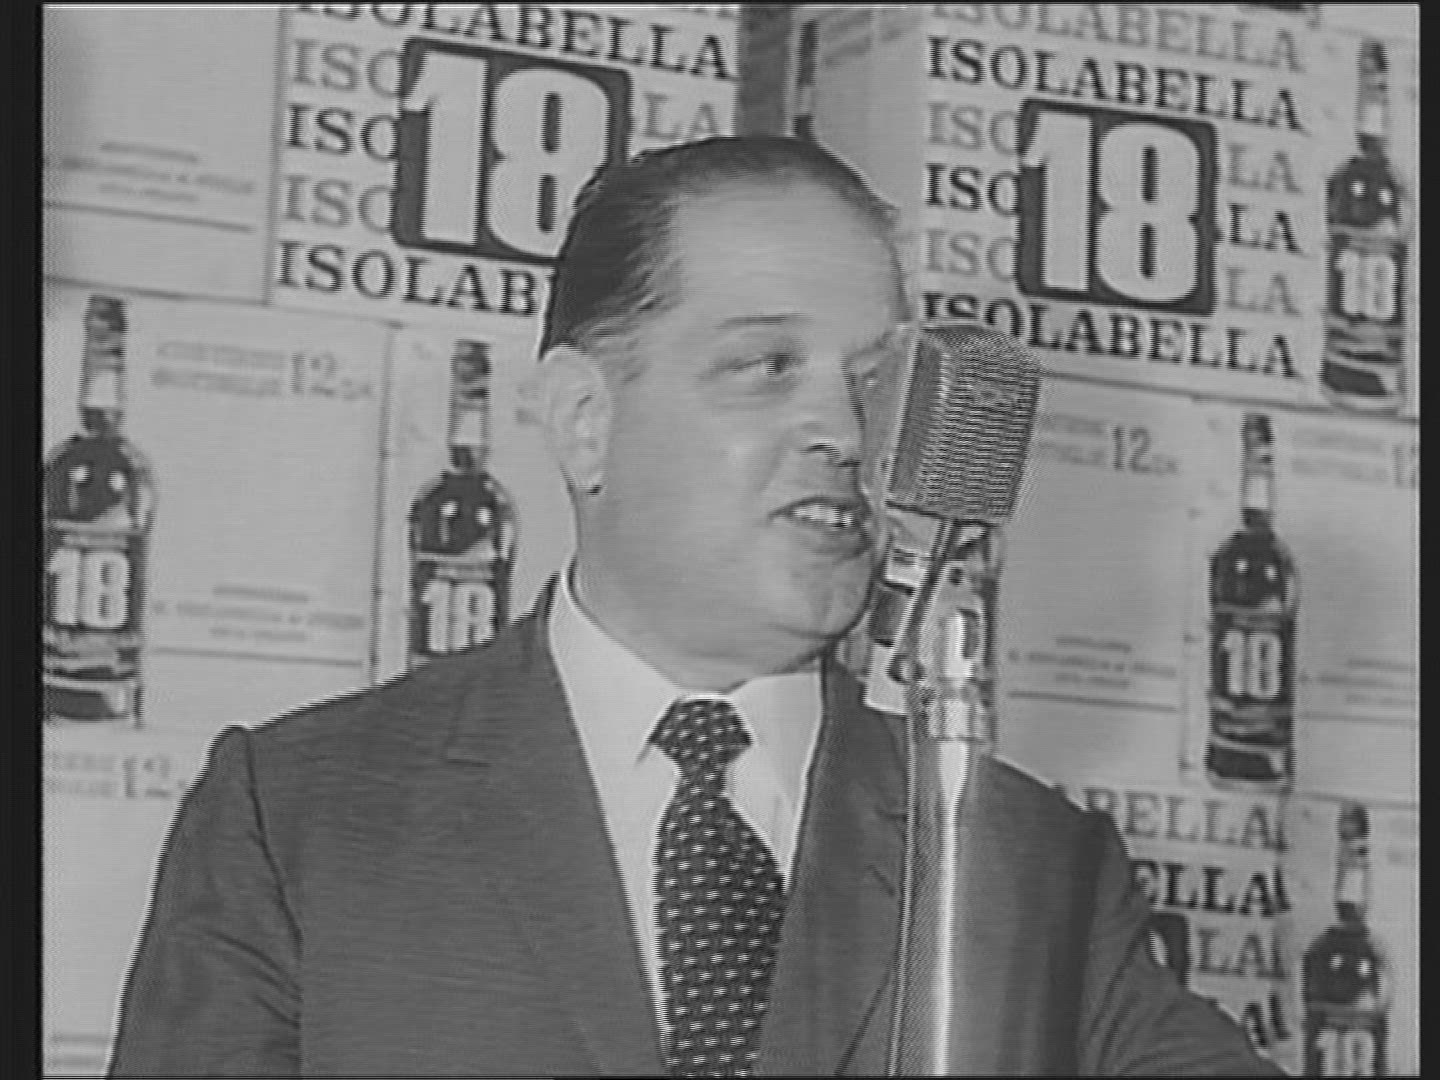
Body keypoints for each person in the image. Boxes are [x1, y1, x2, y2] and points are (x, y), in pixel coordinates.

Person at [108, 136, 1280, 1077]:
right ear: (585, 419)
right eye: (767, 366)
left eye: (874, 381)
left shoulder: (1025, 859)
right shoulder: (297, 818)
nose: (846, 432)